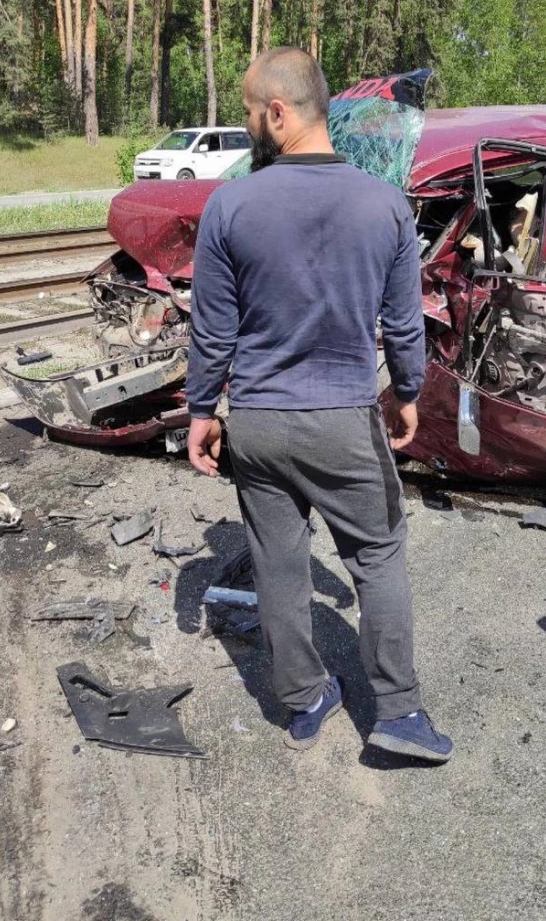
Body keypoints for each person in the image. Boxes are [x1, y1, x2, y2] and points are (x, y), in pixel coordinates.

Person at [184, 46, 453, 762]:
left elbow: (212, 328)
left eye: (248, 110)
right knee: (378, 555)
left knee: (278, 562)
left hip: (262, 425)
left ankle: (304, 700)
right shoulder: (385, 204)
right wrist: (406, 395)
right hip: (342, 419)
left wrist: (202, 412)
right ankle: (397, 713)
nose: (246, 125)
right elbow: (404, 324)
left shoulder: (231, 203)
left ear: (279, 110)